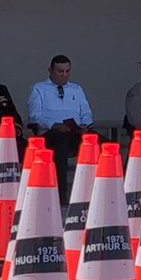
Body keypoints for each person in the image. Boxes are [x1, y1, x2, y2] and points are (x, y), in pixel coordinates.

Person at [27, 55, 93, 201]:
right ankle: (61, 198)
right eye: (60, 71)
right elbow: (34, 115)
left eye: (67, 71)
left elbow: (86, 112)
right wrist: (54, 125)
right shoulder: (39, 88)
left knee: (105, 144)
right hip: (52, 133)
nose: (64, 75)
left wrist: (85, 124)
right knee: (60, 145)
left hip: (75, 131)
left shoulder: (76, 88)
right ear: (50, 71)